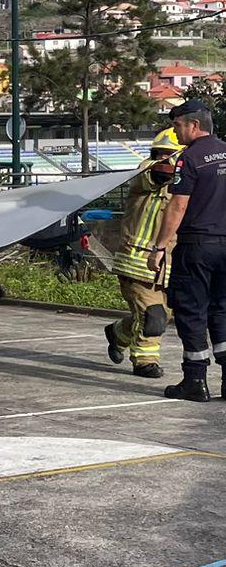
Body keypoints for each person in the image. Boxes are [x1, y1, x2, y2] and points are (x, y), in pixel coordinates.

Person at [149, 100, 226, 400]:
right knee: (222, 310)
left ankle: (195, 380)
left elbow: (178, 205)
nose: (175, 131)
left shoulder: (190, 158)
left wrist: (159, 247)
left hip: (198, 245)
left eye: (178, 125)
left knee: (192, 311)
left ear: (194, 125)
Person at [104, 128, 177, 381]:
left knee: (162, 314)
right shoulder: (148, 170)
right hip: (137, 261)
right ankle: (145, 362)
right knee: (153, 316)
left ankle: (118, 334)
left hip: (164, 263)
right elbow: (159, 172)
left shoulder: (184, 184)